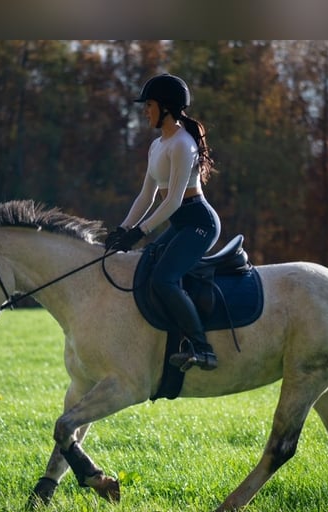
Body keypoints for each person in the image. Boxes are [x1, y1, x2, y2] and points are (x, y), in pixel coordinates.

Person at [106, 73, 221, 372]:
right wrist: (123, 228)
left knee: (164, 279)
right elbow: (147, 195)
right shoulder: (157, 145)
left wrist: (139, 232)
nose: (145, 110)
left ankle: (202, 348)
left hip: (199, 222)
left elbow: (172, 201)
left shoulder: (182, 144)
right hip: (180, 223)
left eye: (150, 105)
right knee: (146, 266)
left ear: (166, 108)